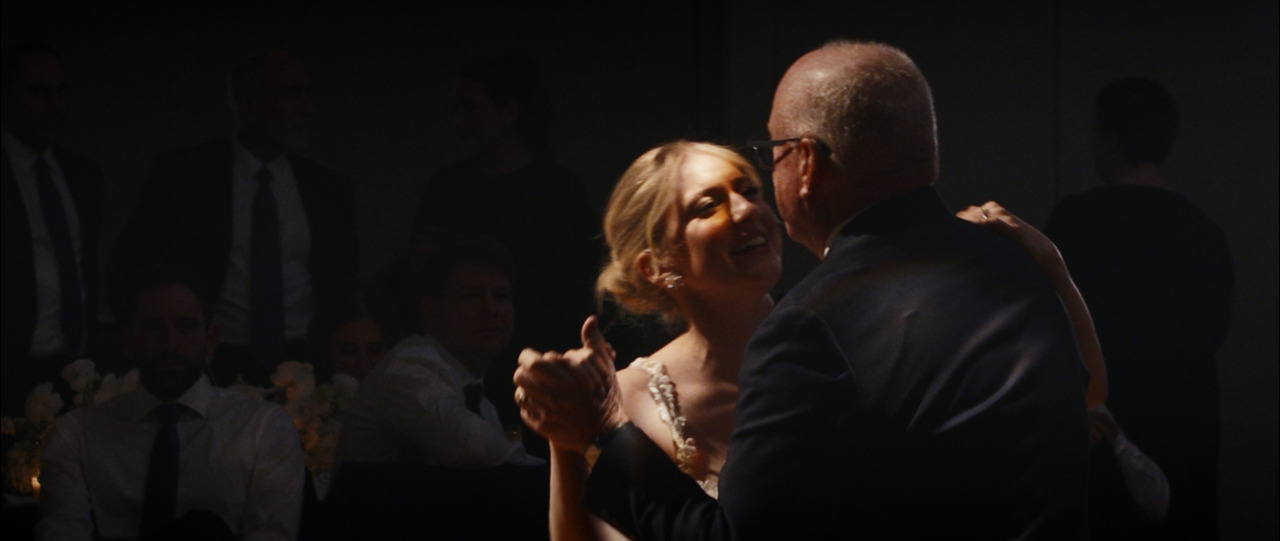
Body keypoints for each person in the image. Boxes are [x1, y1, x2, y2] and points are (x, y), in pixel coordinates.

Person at [516, 40, 1090, 539]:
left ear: (806, 165)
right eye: (709, 205)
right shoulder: (1001, 261)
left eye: (755, 178)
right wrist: (571, 443)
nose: (747, 208)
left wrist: (597, 431)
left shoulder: (812, 327)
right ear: (655, 265)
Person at [1044, 77, 1232, 540]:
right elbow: (1215, 330)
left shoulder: (1075, 224)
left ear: (1109, 138)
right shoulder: (1204, 233)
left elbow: (1047, 328)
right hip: (1186, 432)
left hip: (1100, 429)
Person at [111, 48, 359, 388]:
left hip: (305, 361)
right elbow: (133, 263)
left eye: (307, 94)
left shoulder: (328, 188)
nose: (308, 108)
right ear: (248, 106)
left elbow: (342, 283)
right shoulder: (185, 176)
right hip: (213, 360)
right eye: (291, 95)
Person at [412, 53, 600, 450]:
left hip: (537, 367)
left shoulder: (558, 191)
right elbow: (422, 275)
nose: (458, 120)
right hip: (460, 369)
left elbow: (578, 290)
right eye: (455, 108)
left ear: (509, 111)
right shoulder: (448, 188)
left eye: (470, 107)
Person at [36, 266, 304, 540]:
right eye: (154, 328)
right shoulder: (79, 434)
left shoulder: (262, 429)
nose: (170, 343)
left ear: (210, 341)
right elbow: (63, 530)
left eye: (185, 327)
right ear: (127, 341)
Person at [334, 233, 543, 471]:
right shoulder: (407, 369)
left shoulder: (480, 402)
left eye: (501, 296)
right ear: (432, 310)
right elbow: (473, 448)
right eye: (471, 296)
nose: (491, 310)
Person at [1, 40, 104, 416]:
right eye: (38, 91)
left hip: (75, 366)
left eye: (61, 92)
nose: (54, 106)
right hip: (11, 367)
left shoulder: (82, 175)